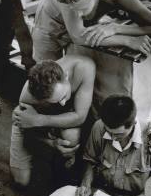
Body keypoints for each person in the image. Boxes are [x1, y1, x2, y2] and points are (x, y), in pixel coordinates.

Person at [32, 0, 151, 119]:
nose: (79, 15)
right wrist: (127, 40)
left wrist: (116, 28)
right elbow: (78, 36)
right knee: (47, 85)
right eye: (74, 10)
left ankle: (72, 121)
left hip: (77, 32)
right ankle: (45, 129)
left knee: (66, 88)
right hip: (48, 26)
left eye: (83, 9)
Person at [74, 95, 151, 196]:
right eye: (109, 132)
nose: (112, 138)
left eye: (119, 134)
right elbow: (90, 160)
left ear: (132, 123)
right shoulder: (99, 127)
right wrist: (85, 183)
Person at [10, 55, 96, 187]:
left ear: (66, 76)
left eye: (63, 96)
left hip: (43, 118)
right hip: (35, 121)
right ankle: (45, 157)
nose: (62, 103)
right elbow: (28, 133)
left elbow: (80, 116)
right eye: (55, 101)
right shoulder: (27, 97)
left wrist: (39, 119)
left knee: (71, 137)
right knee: (21, 181)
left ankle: (59, 165)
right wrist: (51, 143)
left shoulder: (85, 67)